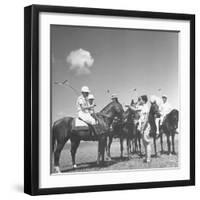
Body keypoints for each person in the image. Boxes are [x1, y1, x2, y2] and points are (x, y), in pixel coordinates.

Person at [127, 95, 151, 163]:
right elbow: (135, 109)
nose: (139, 101)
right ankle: (146, 157)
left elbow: (146, 119)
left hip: (145, 126)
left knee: (147, 142)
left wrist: (142, 128)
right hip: (142, 126)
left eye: (140, 100)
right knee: (144, 143)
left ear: (143, 100)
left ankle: (148, 158)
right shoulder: (142, 106)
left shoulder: (146, 107)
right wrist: (129, 106)